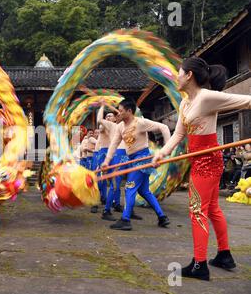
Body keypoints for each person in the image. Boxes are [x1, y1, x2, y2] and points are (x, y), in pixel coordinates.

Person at [153, 57, 251, 281]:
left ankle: (200, 264)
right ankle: (224, 255)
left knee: (197, 210)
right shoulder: (185, 102)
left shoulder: (207, 97)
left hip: (209, 160)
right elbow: (178, 135)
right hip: (197, 159)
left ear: (189, 75)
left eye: (179, 72)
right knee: (212, 208)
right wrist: (162, 153)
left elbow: (247, 101)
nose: (176, 77)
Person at [101, 99, 171, 231]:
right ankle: (162, 217)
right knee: (144, 191)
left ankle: (125, 219)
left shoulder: (140, 122)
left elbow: (164, 127)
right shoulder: (120, 127)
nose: (118, 113)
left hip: (142, 158)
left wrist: (166, 150)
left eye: (121, 111)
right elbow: (114, 145)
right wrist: (106, 161)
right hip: (132, 158)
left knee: (130, 187)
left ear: (129, 111)